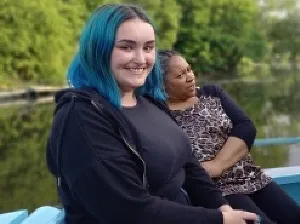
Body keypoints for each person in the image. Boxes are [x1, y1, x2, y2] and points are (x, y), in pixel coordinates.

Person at [45, 4, 260, 224]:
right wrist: (219, 219)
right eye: (127, 47)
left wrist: (220, 206)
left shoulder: (149, 100)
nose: (141, 59)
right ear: (98, 49)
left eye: (148, 48)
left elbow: (189, 166)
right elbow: (129, 211)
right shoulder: (81, 117)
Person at [158, 49, 300, 224]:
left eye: (189, 69)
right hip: (216, 190)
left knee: (294, 216)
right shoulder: (160, 113)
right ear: (162, 84)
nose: (190, 77)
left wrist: (218, 164)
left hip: (249, 175)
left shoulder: (212, 93)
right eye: (180, 75)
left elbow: (246, 127)